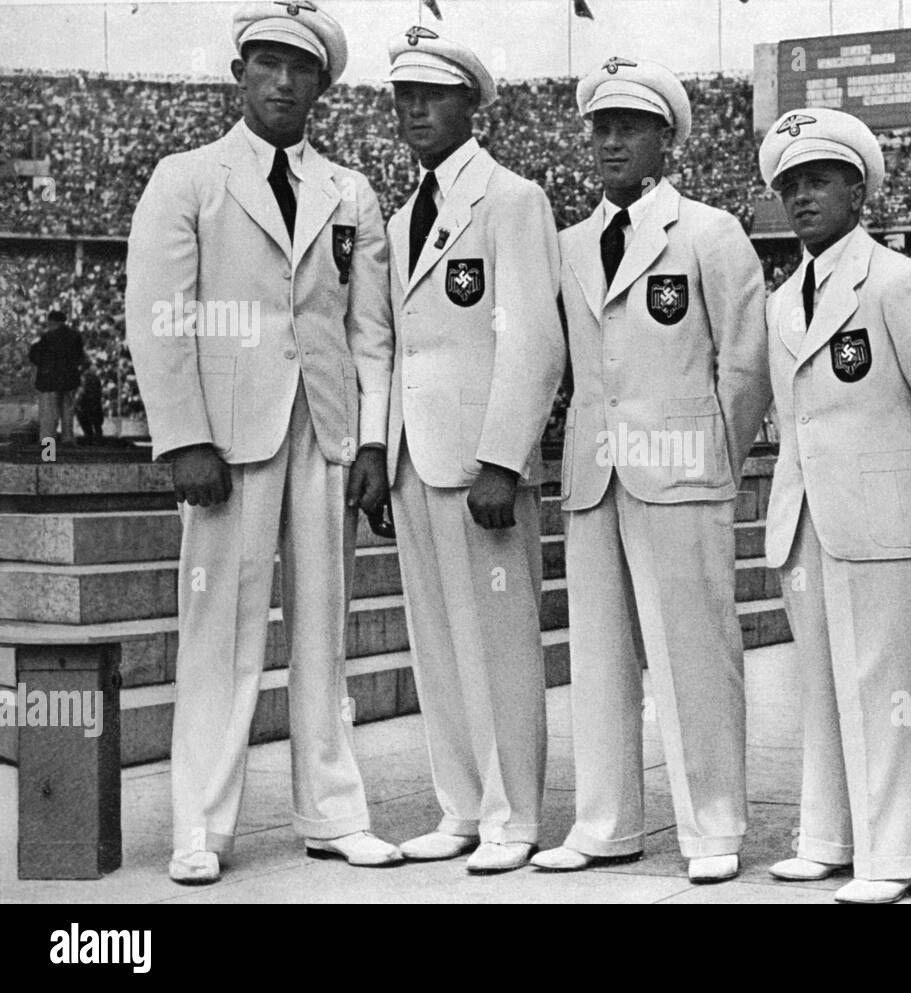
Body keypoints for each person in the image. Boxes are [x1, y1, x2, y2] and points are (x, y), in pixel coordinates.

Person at [124, 1, 399, 885]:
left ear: (323, 83)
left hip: (322, 429)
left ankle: (333, 811)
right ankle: (200, 825)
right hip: (228, 443)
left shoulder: (350, 190)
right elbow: (160, 320)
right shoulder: (188, 177)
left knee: (326, 629)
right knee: (218, 635)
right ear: (240, 73)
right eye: (268, 64)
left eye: (301, 67)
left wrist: (368, 442)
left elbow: (369, 331)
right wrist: (184, 438)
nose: (284, 81)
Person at [531, 56, 770, 884]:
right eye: (600, 126)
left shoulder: (708, 231)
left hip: (682, 472)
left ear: (666, 137)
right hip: (595, 475)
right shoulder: (567, 244)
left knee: (694, 654)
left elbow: (745, 363)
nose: (610, 141)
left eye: (629, 126)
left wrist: (711, 457)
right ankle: (606, 821)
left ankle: (714, 824)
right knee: (597, 659)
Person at [757, 109, 911, 903]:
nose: (802, 197)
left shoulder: (896, 280)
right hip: (806, 513)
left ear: (857, 190)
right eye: (790, 185)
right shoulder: (784, 300)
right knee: (821, 683)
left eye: (818, 181)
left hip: (883, 515)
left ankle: (898, 852)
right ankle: (829, 835)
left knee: (890, 687)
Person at [381, 26, 565, 875]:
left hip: (480, 461)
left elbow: (533, 337)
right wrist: (381, 456)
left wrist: (504, 456)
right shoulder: (400, 214)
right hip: (415, 456)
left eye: (432, 94)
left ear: (470, 104)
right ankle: (460, 804)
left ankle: (513, 813)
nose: (414, 109)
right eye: (403, 96)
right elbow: (397, 346)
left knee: (498, 641)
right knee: (438, 643)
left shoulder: (511, 198)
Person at [28, 309, 83, 447]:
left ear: (52, 322)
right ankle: (68, 440)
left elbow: (35, 356)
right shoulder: (75, 336)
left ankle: (48, 446)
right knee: (68, 412)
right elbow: (80, 358)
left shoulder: (47, 337)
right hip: (70, 380)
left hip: (50, 382)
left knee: (49, 414)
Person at [76, 364, 105, 441]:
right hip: (95, 404)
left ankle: (90, 438)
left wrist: (78, 403)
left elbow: (81, 392)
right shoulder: (95, 378)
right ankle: (97, 439)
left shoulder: (84, 378)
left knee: (88, 426)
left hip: (86, 404)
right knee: (97, 426)